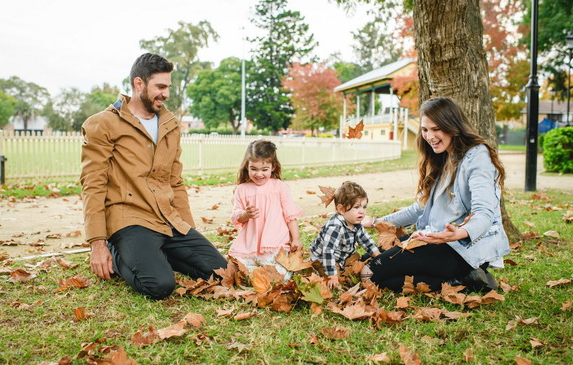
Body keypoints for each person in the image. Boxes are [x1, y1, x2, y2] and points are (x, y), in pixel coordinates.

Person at [80, 53, 227, 300]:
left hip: (167, 217)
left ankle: (155, 254)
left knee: (222, 274)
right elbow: (93, 184)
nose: (166, 94)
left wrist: (189, 231)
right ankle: (119, 252)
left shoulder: (170, 125)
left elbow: (175, 181)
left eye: (168, 87)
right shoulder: (102, 124)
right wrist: (98, 243)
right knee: (159, 286)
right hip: (130, 219)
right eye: (160, 86)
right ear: (139, 84)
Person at [361, 97, 509, 292]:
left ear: (452, 126)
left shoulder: (477, 156)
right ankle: (460, 279)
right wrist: (376, 222)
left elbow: (484, 213)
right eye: (425, 130)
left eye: (436, 129)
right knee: (366, 259)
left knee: (370, 272)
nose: (429, 136)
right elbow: (418, 209)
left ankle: (464, 281)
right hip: (432, 239)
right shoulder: (441, 157)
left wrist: (460, 233)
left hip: (461, 248)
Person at [228, 140, 303, 273]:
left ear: (273, 167)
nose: (259, 174)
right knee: (240, 273)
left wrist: (296, 238)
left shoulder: (279, 187)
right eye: (254, 169)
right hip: (248, 245)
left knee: (278, 275)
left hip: (275, 244)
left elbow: (290, 215)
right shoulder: (242, 189)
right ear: (247, 166)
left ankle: (270, 271)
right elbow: (236, 217)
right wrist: (245, 214)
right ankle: (253, 271)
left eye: (264, 169)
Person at [310, 181, 381, 289]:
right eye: (357, 207)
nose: (362, 211)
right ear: (341, 209)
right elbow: (328, 252)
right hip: (324, 258)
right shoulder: (335, 227)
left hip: (343, 255)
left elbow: (366, 240)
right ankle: (322, 270)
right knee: (335, 281)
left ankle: (344, 269)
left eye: (364, 207)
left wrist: (378, 255)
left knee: (357, 260)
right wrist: (332, 275)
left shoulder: (355, 221)